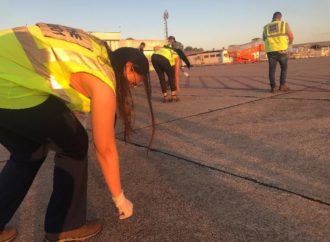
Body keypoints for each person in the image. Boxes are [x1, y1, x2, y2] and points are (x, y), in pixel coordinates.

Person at [0, 23, 155, 242]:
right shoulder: (103, 78)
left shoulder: (94, 52)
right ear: (129, 67)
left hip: (9, 71)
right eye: (133, 83)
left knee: (28, 153)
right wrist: (120, 198)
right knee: (75, 145)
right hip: (8, 82)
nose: (130, 88)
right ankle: (65, 226)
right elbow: (105, 149)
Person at [263, 11, 294, 93]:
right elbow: (291, 36)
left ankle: (273, 87)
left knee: (271, 70)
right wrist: (289, 44)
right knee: (284, 68)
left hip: (271, 51)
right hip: (282, 50)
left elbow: (264, 39)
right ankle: (282, 85)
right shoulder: (284, 24)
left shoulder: (266, 27)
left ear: (273, 17)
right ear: (280, 17)